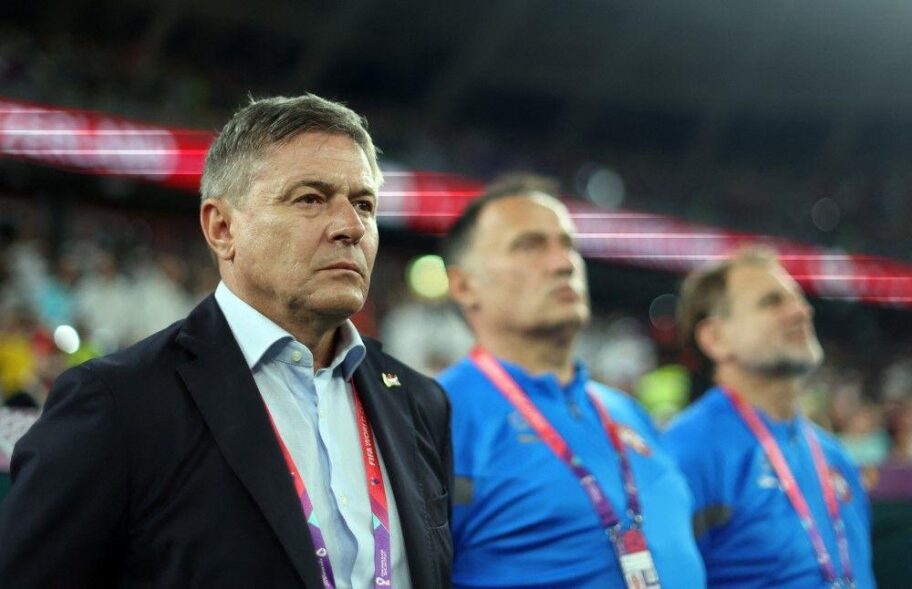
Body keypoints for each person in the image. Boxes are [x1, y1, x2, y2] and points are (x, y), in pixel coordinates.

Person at [0, 94, 454, 588]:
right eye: (310, 198)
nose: (351, 227)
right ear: (221, 228)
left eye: (364, 204)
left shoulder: (420, 404)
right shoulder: (116, 404)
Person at [437, 174, 705, 589]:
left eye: (568, 244)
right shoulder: (439, 416)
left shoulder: (628, 412)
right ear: (464, 285)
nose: (563, 263)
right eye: (529, 245)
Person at [664, 247, 876, 588]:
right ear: (715, 338)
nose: (801, 311)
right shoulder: (688, 453)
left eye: (798, 299)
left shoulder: (833, 455)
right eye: (772, 302)